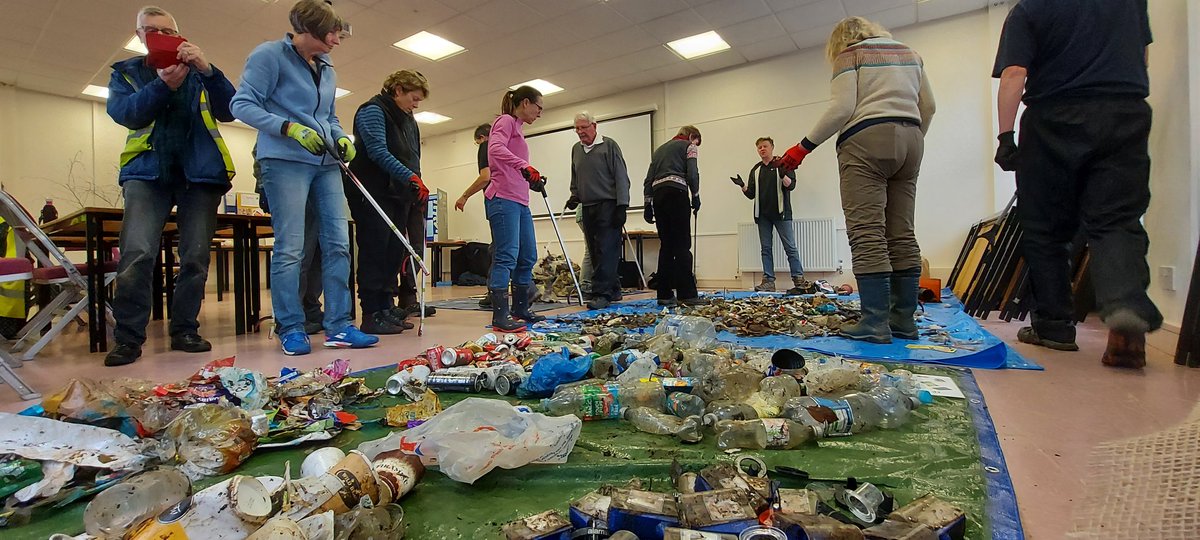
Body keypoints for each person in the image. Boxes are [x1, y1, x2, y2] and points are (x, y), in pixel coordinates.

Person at [993, 0, 1159, 368]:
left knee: (1045, 228)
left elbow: (1014, 75)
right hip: (1125, 112)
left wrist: (1005, 137)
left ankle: (1054, 326)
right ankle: (1126, 306)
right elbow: (1142, 58)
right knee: (1116, 219)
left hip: (1055, 117)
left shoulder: (1029, 9)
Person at [774, 16, 935, 344]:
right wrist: (910, 138)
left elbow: (842, 108)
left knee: (867, 233)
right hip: (912, 138)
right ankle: (903, 321)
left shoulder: (851, 55)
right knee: (902, 233)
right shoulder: (910, 53)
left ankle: (875, 322)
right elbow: (929, 107)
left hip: (865, 142)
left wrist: (801, 149)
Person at [231, 0, 377, 355]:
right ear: (309, 30)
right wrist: (288, 128)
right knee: (291, 248)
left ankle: (340, 325)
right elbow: (242, 104)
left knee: (339, 243)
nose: (337, 42)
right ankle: (291, 327)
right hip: (283, 160)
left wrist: (341, 136)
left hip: (326, 163)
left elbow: (328, 115)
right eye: (331, 34)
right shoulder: (269, 55)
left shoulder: (327, 68)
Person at [103, 5, 236, 366]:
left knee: (194, 257)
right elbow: (126, 114)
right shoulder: (126, 73)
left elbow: (230, 109)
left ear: (179, 35)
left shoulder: (201, 73)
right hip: (147, 173)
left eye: (165, 30)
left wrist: (208, 70)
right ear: (140, 36)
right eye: (149, 30)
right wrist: (163, 86)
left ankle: (185, 330)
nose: (157, 35)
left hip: (200, 175)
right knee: (137, 254)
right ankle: (128, 338)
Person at [346, 69, 431, 335]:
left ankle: (386, 305)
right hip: (372, 190)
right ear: (398, 91)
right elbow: (377, 152)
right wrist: (411, 177)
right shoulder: (373, 110)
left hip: (398, 193)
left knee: (394, 251)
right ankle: (371, 312)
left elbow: (411, 156)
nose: (415, 105)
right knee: (375, 249)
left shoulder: (407, 118)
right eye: (413, 98)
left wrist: (414, 183)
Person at [485, 85, 546, 332]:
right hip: (502, 198)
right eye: (538, 107)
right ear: (525, 103)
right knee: (507, 255)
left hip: (520, 201)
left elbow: (514, 165)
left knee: (528, 254)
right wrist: (523, 165)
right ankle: (500, 316)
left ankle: (520, 309)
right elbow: (495, 149)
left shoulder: (519, 130)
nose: (539, 113)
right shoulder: (506, 121)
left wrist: (530, 179)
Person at [253, 146, 324, 335]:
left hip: (316, 186)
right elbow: (261, 153)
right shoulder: (280, 118)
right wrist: (263, 188)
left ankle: (310, 307)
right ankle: (293, 314)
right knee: (297, 252)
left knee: (317, 253)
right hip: (289, 184)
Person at [566, 111, 631, 309]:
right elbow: (575, 175)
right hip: (587, 205)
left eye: (584, 127)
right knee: (594, 251)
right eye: (577, 128)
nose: (580, 132)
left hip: (608, 204)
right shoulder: (576, 149)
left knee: (607, 249)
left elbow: (621, 175)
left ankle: (601, 293)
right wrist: (574, 194)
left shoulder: (608, 145)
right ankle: (614, 290)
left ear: (595, 125)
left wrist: (622, 205)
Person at [733, 137, 807, 294]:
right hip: (763, 216)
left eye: (765, 146)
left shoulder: (783, 163)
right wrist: (743, 186)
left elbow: (791, 185)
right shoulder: (756, 170)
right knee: (766, 249)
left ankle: (799, 280)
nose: (762, 149)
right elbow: (751, 194)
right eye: (759, 147)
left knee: (790, 248)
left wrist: (782, 174)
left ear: (772, 147)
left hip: (782, 214)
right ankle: (768, 281)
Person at [643, 125, 704, 307]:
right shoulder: (688, 146)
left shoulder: (659, 150)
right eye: (697, 142)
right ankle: (687, 294)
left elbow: (648, 179)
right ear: (691, 136)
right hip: (677, 193)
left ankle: (664, 294)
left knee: (667, 245)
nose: (696, 146)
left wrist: (648, 204)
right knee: (683, 245)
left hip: (659, 196)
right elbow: (693, 174)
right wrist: (695, 195)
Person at [457, 124, 496, 308]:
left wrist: (465, 195)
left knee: (497, 249)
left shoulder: (485, 146)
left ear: (481, 137)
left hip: (497, 201)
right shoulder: (504, 148)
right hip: (516, 201)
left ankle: (494, 293)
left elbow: (485, 177)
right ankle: (525, 288)